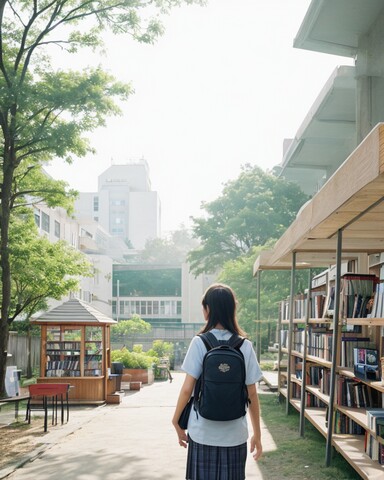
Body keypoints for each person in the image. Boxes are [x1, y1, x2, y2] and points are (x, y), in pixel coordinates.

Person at [172, 283, 263, 480]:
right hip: (235, 435)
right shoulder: (244, 345)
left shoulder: (200, 342)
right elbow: (252, 394)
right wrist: (257, 434)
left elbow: (187, 389)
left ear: (208, 310)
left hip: (202, 433)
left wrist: (176, 421)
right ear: (232, 309)